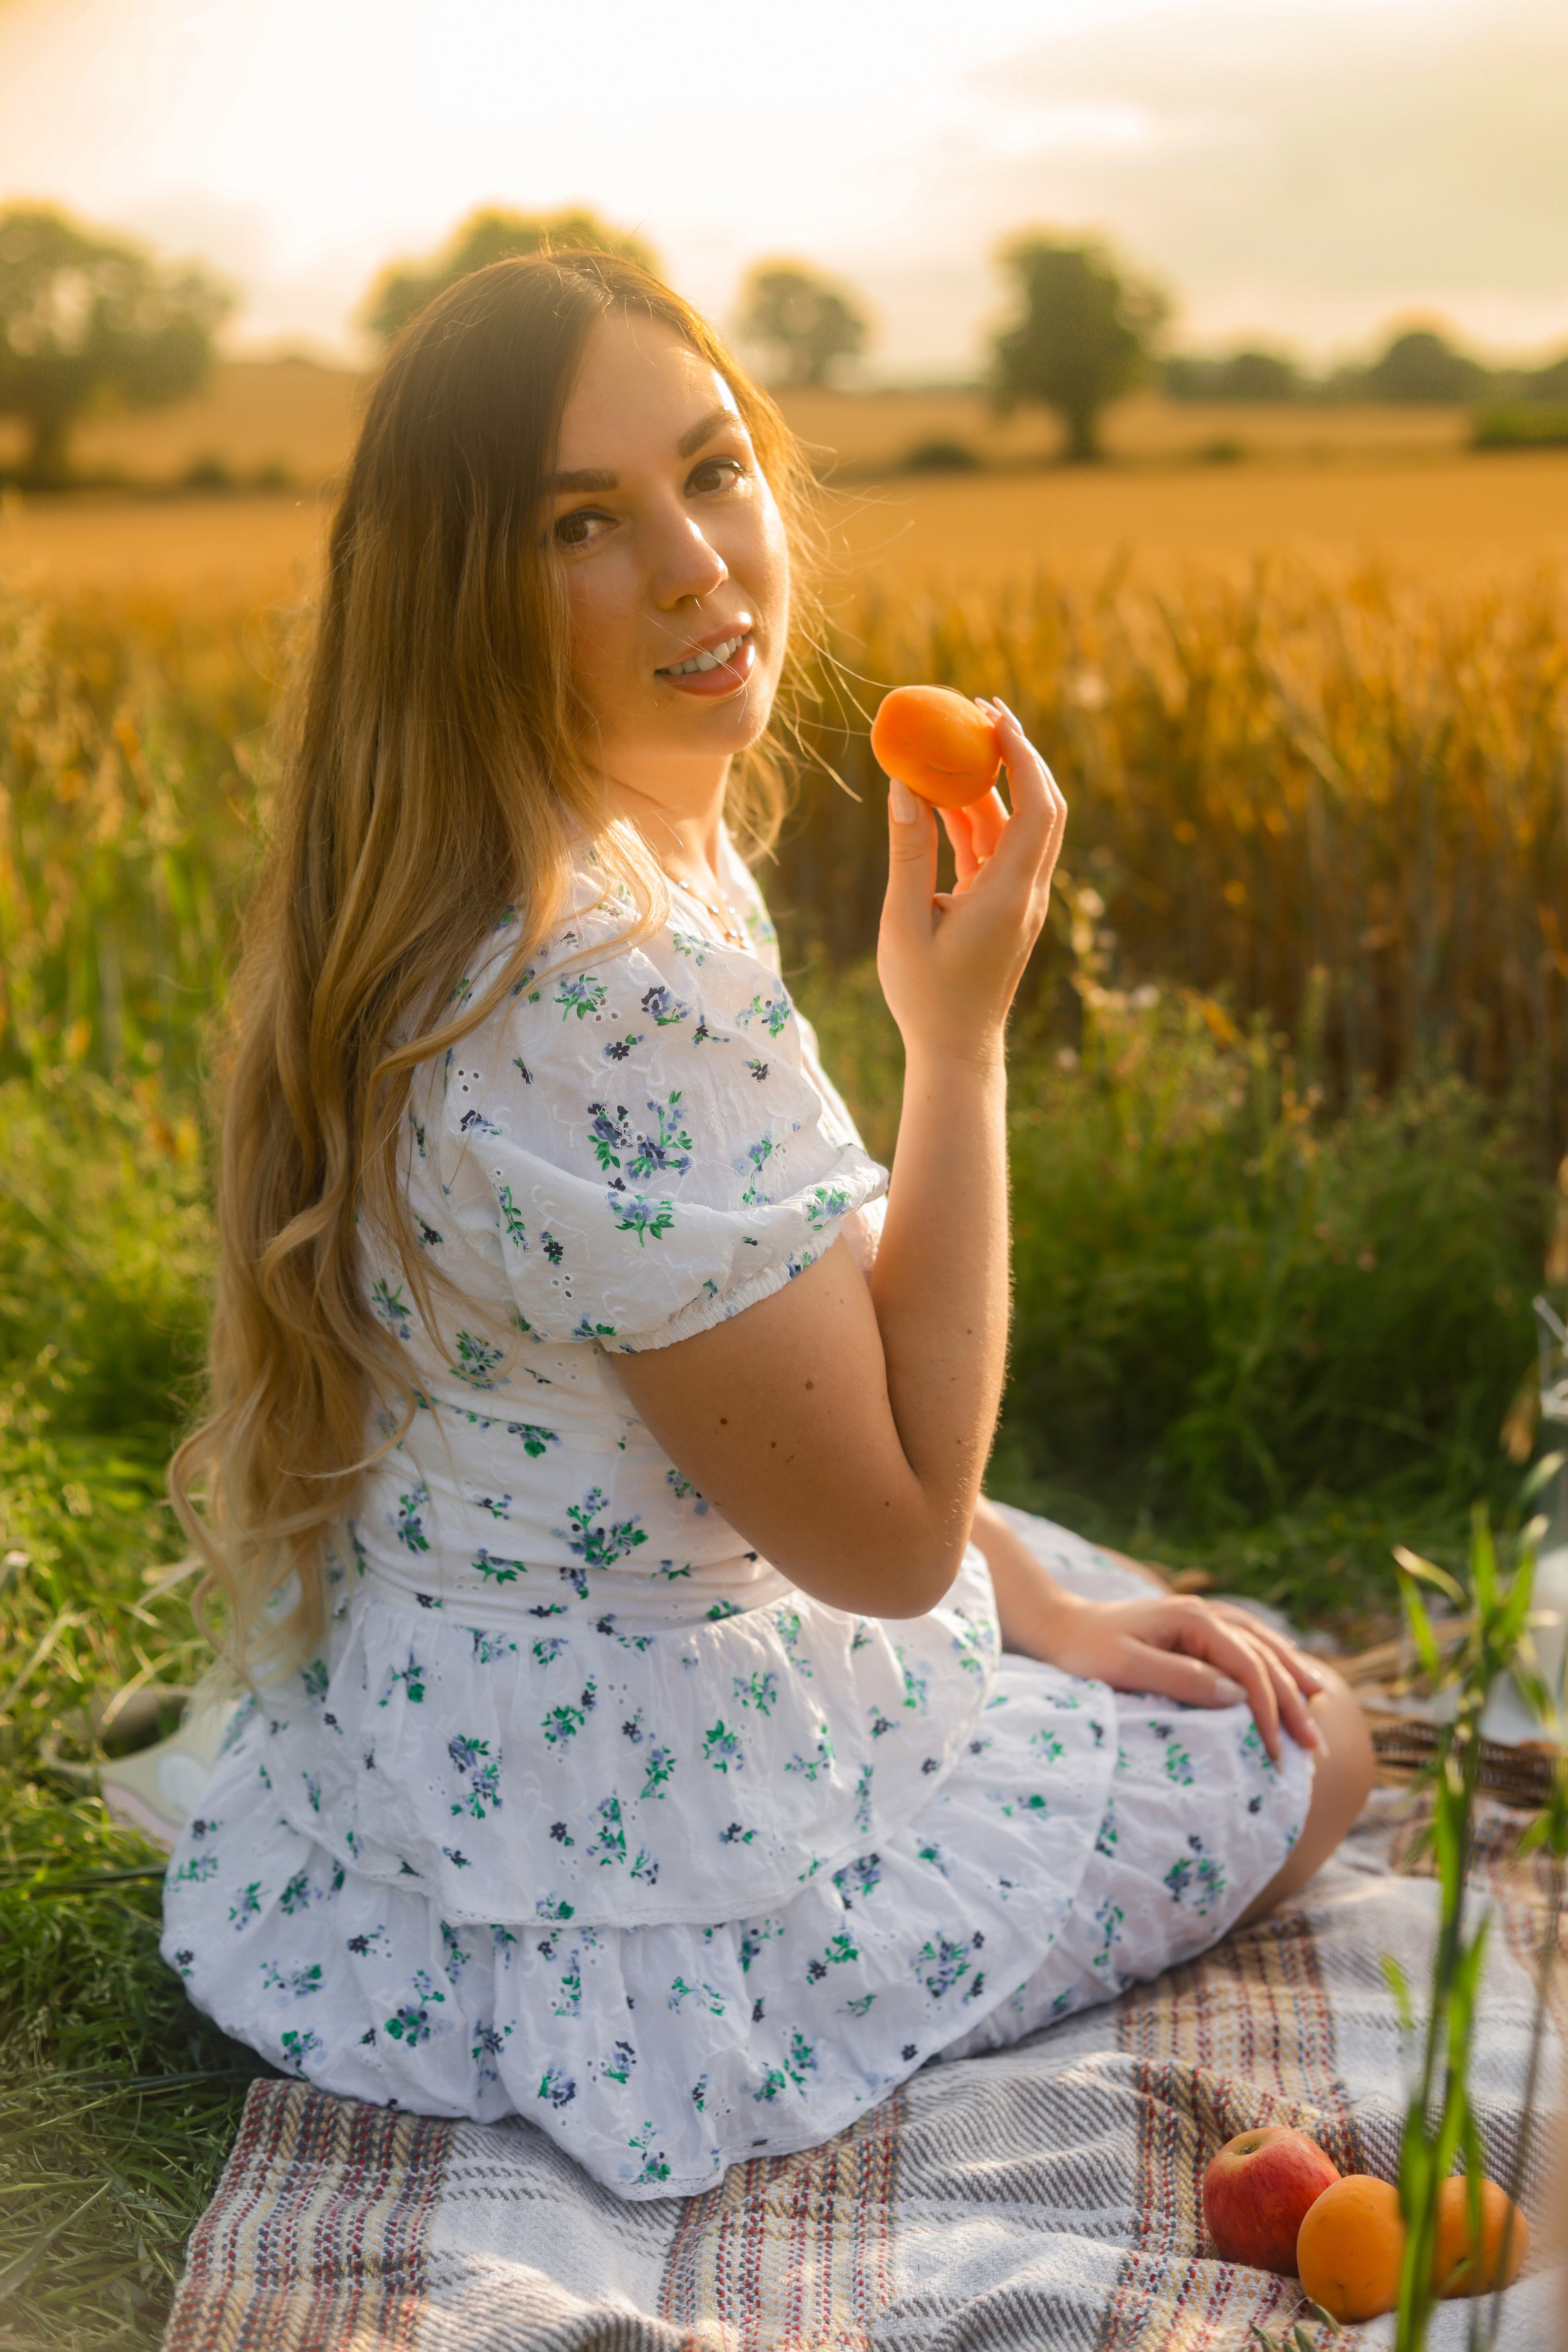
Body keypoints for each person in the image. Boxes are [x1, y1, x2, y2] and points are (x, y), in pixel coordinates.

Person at [161, 252, 1373, 2198]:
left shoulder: (497, 883)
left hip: (450, 1753)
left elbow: (761, 1388)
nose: (696, 563)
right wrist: (955, 1045)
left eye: (715, 471)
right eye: (584, 522)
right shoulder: (613, 988)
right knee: (1317, 1748)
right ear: (459, 598)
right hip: (651, 1878)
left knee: (1109, 1599)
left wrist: (1036, 1603)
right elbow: (892, 1544)